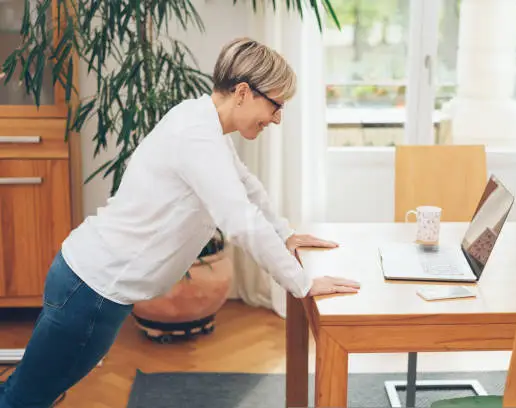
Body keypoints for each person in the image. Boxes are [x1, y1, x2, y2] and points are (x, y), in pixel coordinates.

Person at [0, 37, 360, 408]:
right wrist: (301, 283)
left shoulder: (202, 121)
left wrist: (285, 234)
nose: (277, 118)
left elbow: (247, 187)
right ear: (242, 92)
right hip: (90, 291)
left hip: (92, 287)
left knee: (32, 392)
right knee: (24, 399)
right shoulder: (196, 135)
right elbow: (241, 221)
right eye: (276, 105)